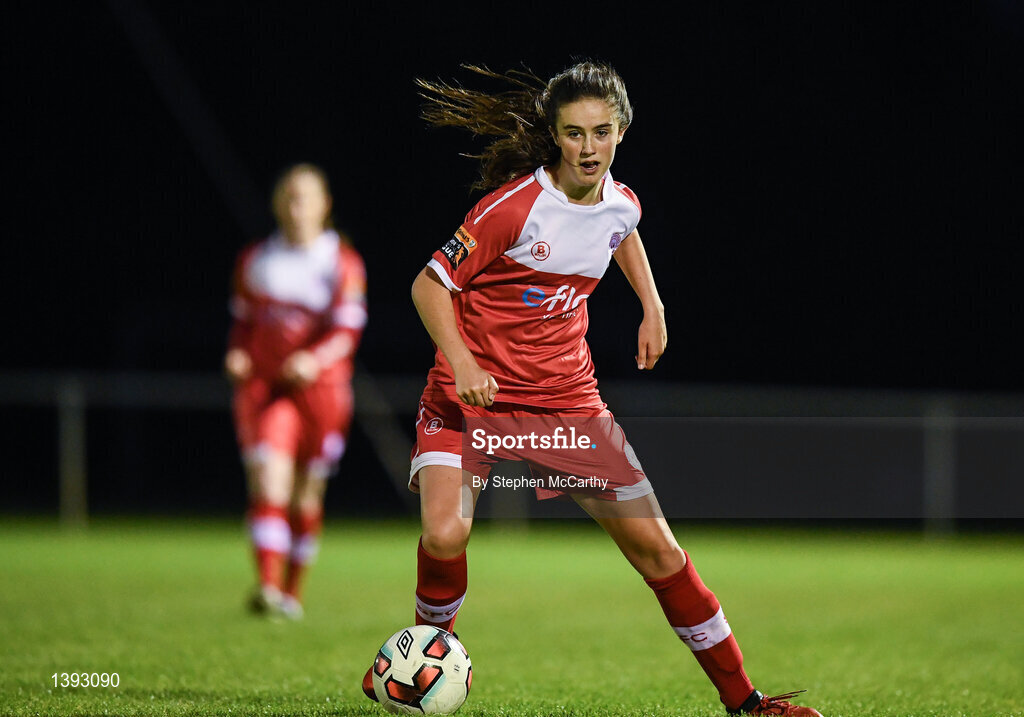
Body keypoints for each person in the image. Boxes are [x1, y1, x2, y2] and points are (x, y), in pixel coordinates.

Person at [362, 63, 821, 716]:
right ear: (554, 136)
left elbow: (620, 230)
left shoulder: (622, 202)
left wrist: (653, 304)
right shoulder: (512, 207)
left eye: (600, 132)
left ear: (621, 132)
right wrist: (462, 361)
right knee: (443, 534)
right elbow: (428, 284)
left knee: (659, 549)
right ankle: (430, 664)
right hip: (472, 398)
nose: (587, 147)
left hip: (566, 405)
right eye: (573, 133)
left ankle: (747, 702)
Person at [225, 163, 367, 620]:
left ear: (324, 204)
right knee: (269, 478)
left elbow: (348, 330)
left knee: (307, 495)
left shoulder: (340, 262)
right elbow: (243, 323)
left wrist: (315, 359)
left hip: (324, 392)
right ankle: (267, 586)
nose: (295, 205)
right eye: (288, 196)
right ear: (277, 203)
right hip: (270, 391)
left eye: (305, 196)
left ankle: (291, 592)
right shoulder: (257, 259)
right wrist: (238, 353)